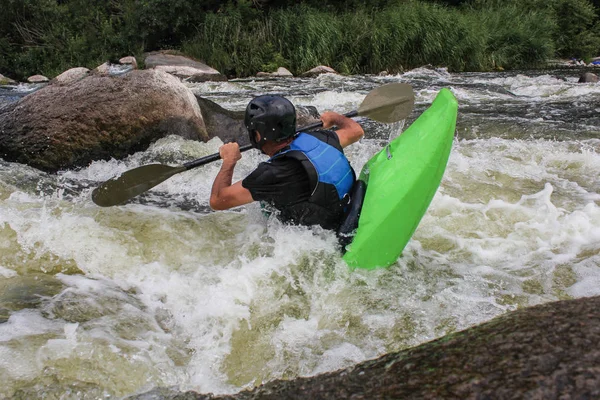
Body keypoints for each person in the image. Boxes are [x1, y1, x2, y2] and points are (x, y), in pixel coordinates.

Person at [209, 95, 364, 230]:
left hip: (324, 236)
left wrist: (229, 161)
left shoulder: (272, 174)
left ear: (257, 134)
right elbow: (356, 131)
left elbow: (217, 201)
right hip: (347, 211)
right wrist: (335, 117)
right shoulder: (321, 138)